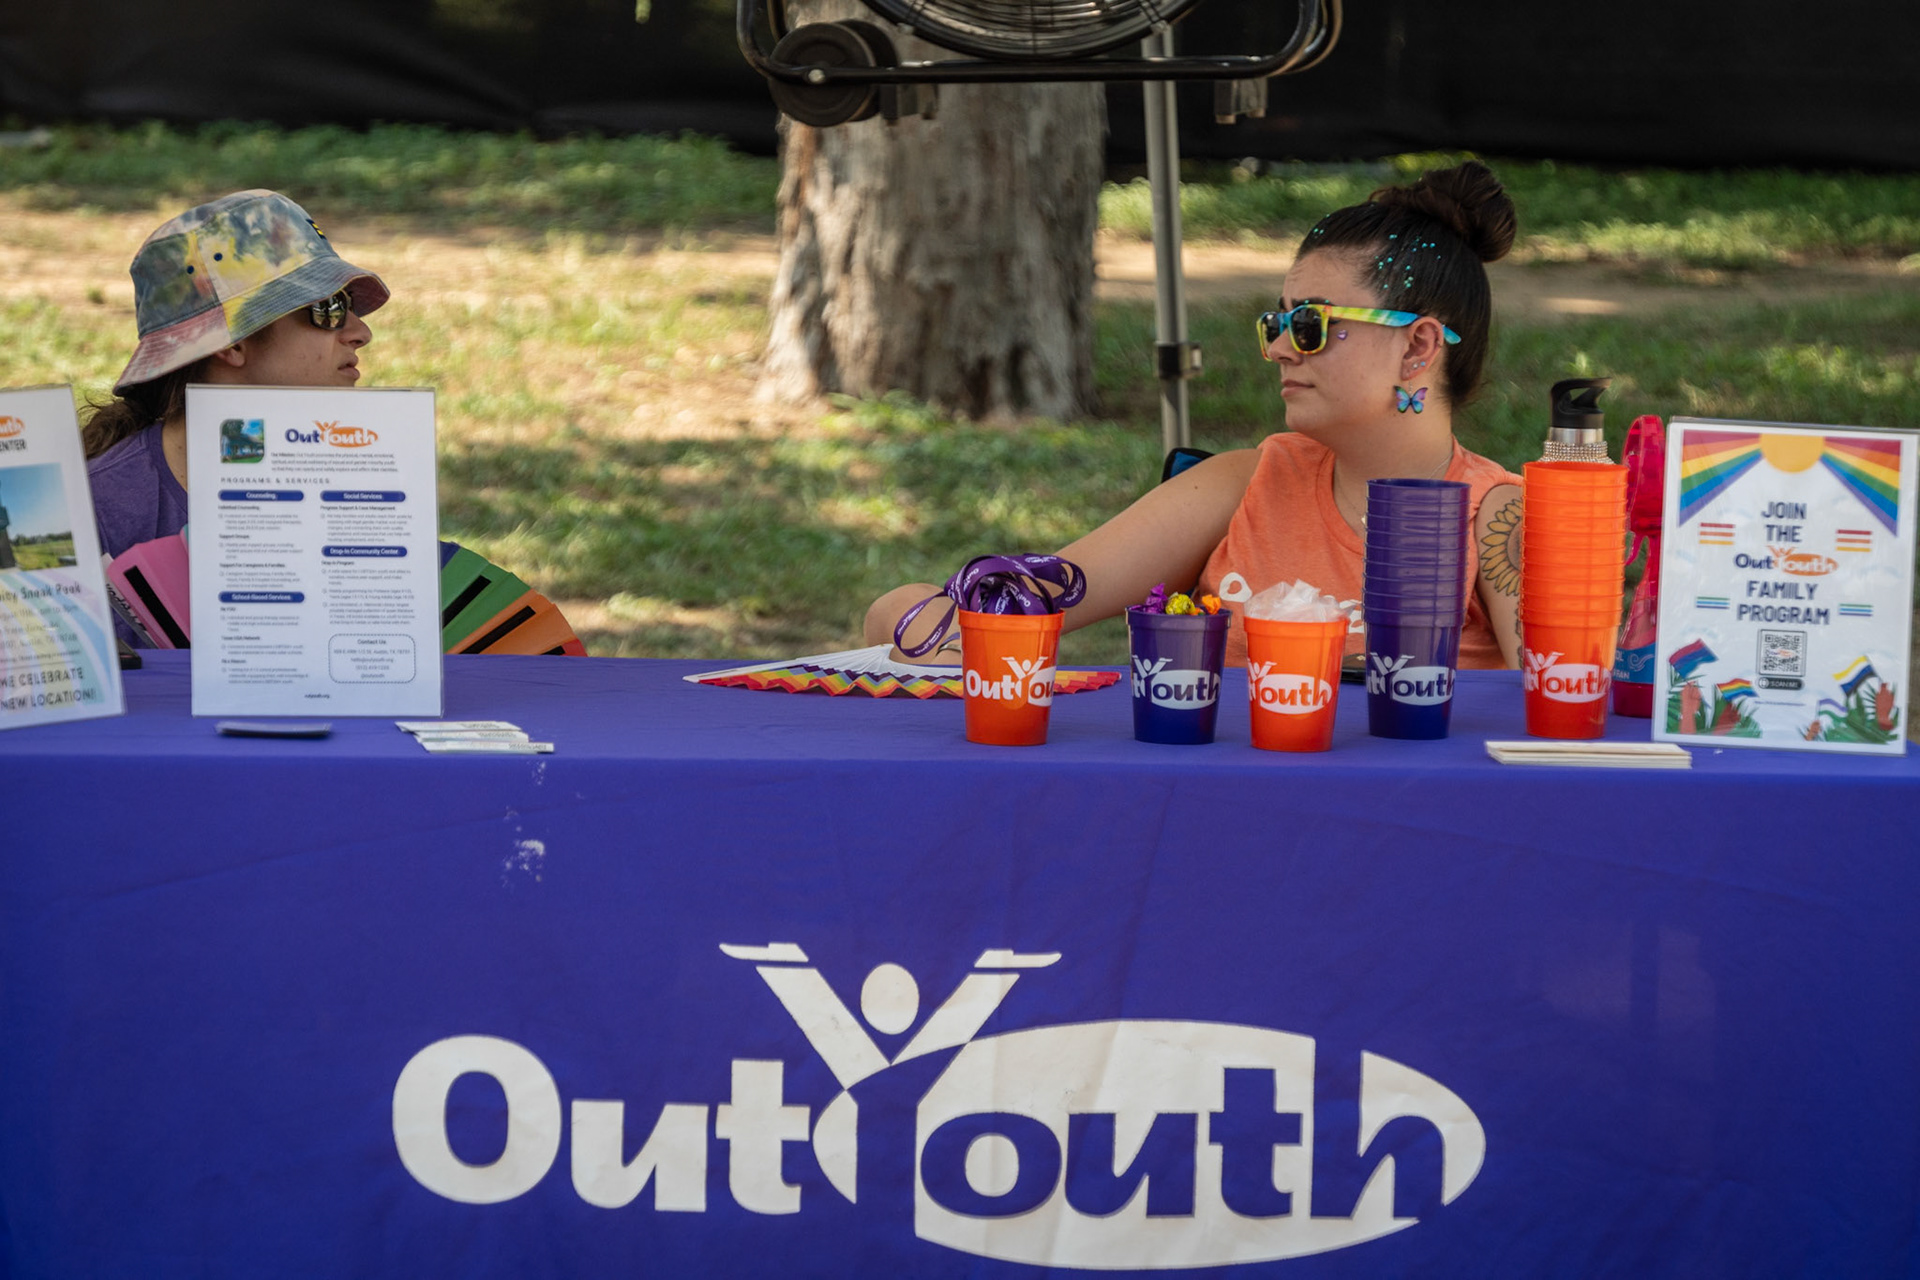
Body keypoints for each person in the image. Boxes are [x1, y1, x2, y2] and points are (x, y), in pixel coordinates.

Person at [865, 160, 1526, 669]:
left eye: (1310, 325)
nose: (1277, 348)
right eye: (1276, 323)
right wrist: (930, 625)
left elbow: (1568, 711)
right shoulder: (1249, 481)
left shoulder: (1499, 516)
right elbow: (1019, 603)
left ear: (1417, 348)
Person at [84, 189, 387, 562]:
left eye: (348, 303)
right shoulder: (96, 515)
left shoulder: (364, 479)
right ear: (233, 344)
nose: (361, 333)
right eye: (329, 308)